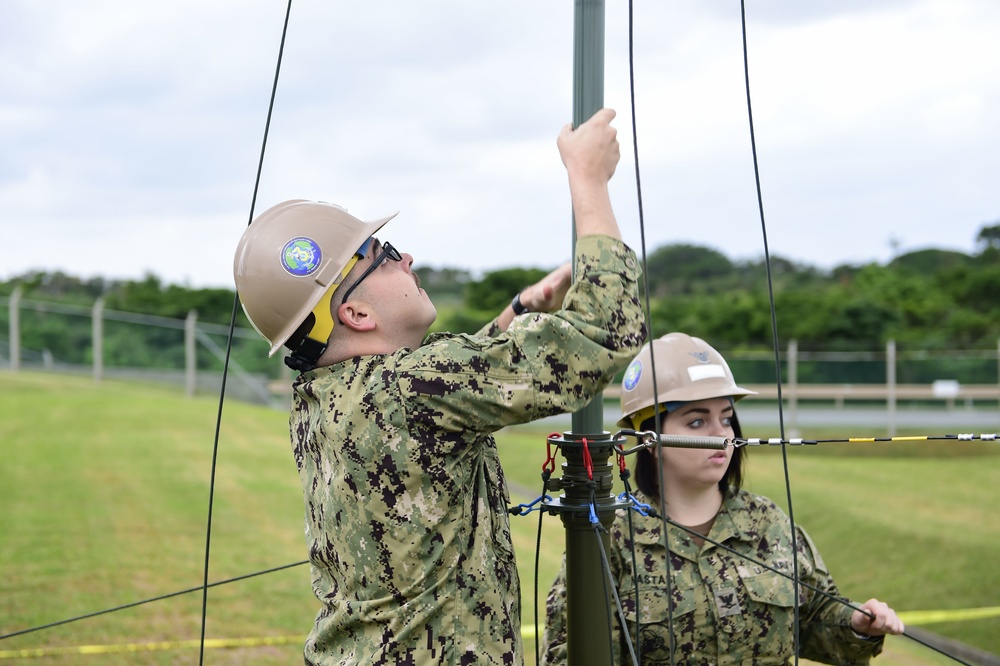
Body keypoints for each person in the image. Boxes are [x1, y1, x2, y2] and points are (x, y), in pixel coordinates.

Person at [232, 108, 646, 665]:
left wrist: (517, 312)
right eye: (381, 255)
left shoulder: (329, 395)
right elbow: (604, 330)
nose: (405, 257)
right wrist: (588, 179)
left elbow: (437, 402)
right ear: (355, 313)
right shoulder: (411, 390)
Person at [541, 332, 905, 665]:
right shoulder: (612, 537)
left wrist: (857, 625)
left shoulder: (768, 523)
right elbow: (568, 654)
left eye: (727, 419)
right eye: (697, 422)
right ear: (650, 438)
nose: (721, 435)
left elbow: (815, 621)